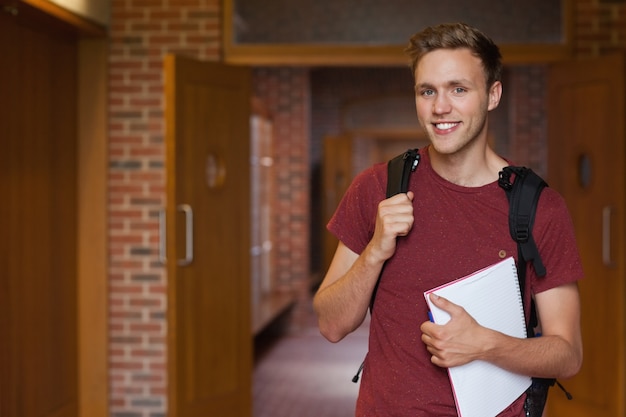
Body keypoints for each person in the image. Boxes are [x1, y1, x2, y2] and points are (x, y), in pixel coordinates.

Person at [313, 22, 583, 416]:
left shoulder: (538, 206)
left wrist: (484, 344)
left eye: (459, 89)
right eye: (428, 91)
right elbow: (330, 325)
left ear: (493, 95)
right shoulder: (378, 187)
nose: (441, 107)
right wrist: (375, 251)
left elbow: (568, 354)